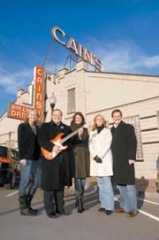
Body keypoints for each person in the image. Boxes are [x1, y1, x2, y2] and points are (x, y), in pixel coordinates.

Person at [38, 109, 83, 218]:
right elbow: (41, 140)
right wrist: (52, 147)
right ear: (52, 115)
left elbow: (72, 142)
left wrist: (79, 135)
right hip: (49, 159)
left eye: (59, 115)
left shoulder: (67, 128)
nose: (57, 116)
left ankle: (60, 208)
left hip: (62, 160)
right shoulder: (45, 126)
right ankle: (50, 210)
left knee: (60, 186)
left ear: (62, 116)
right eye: (55, 115)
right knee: (49, 186)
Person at [111, 109, 138, 217]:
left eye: (118, 116)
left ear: (121, 116)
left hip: (127, 161)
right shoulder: (111, 130)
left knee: (130, 186)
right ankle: (124, 206)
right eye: (114, 116)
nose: (116, 118)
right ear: (112, 117)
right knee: (121, 186)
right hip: (116, 162)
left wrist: (132, 157)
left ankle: (133, 209)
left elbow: (133, 142)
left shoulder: (128, 127)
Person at [89, 114, 114, 215]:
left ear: (103, 121)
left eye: (100, 119)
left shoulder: (108, 131)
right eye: (97, 119)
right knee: (100, 184)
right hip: (96, 160)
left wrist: (100, 156)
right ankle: (103, 205)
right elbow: (90, 145)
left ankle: (109, 206)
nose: (99, 120)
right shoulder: (92, 133)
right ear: (95, 121)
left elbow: (107, 144)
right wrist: (95, 156)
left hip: (104, 159)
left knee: (107, 184)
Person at [18, 109, 41, 216]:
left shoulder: (38, 128)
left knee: (37, 181)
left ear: (37, 117)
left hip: (36, 158)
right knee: (25, 181)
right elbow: (21, 142)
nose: (33, 116)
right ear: (27, 116)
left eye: (35, 115)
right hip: (26, 157)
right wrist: (22, 157)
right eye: (31, 114)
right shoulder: (22, 126)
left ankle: (27, 204)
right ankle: (24, 208)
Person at [70, 112, 90, 213]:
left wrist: (82, 135)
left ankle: (78, 197)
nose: (78, 119)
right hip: (76, 154)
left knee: (83, 179)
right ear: (74, 119)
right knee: (78, 178)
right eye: (76, 117)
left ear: (82, 119)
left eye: (80, 118)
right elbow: (70, 141)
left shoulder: (85, 129)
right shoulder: (71, 128)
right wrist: (78, 135)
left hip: (85, 154)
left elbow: (86, 140)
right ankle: (80, 201)